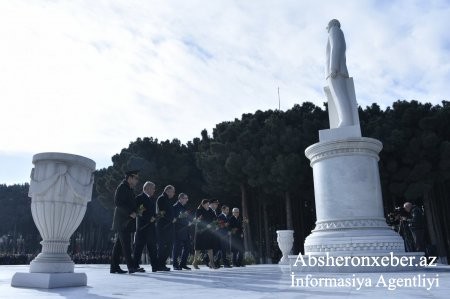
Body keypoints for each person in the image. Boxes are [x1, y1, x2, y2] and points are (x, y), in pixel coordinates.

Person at [325, 19, 354, 128]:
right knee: (338, 96)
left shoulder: (334, 30)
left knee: (340, 96)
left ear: (330, 24)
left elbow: (336, 47)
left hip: (335, 71)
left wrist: (333, 68)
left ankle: (346, 121)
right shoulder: (337, 31)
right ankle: (345, 120)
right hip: (337, 70)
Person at [110, 170, 140, 274]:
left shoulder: (130, 189)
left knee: (118, 246)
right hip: (122, 221)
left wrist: (136, 211)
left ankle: (114, 267)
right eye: (135, 178)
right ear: (129, 178)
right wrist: (130, 213)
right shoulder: (122, 187)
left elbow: (131, 204)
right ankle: (131, 267)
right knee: (126, 244)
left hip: (126, 221)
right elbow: (118, 203)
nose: (137, 180)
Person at [133, 181, 158, 272]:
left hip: (150, 227)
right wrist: (149, 218)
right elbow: (139, 212)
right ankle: (135, 266)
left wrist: (156, 216)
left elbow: (152, 212)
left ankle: (155, 266)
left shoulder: (151, 199)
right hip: (142, 227)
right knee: (139, 247)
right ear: (146, 188)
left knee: (152, 247)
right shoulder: (139, 198)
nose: (154, 190)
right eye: (153, 188)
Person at [156, 185, 176, 271]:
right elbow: (162, 212)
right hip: (163, 227)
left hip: (168, 227)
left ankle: (161, 263)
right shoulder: (161, 198)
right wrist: (172, 219)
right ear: (168, 190)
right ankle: (160, 265)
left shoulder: (167, 199)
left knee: (169, 246)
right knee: (162, 247)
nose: (174, 193)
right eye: (173, 191)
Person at [192, 199, 216, 269]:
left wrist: (214, 224)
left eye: (208, 204)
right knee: (198, 249)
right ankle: (195, 262)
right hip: (200, 232)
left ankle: (211, 262)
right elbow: (198, 220)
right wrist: (206, 225)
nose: (208, 205)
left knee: (210, 247)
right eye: (206, 204)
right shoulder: (199, 211)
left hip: (208, 232)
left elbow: (215, 219)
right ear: (203, 204)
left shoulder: (211, 211)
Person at [172, 193, 191, 270]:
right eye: (185, 198)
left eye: (187, 198)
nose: (187, 200)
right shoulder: (175, 207)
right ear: (180, 198)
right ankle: (175, 264)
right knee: (177, 248)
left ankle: (183, 264)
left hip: (185, 230)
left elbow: (186, 217)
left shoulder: (185, 207)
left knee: (187, 247)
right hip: (178, 230)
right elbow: (175, 219)